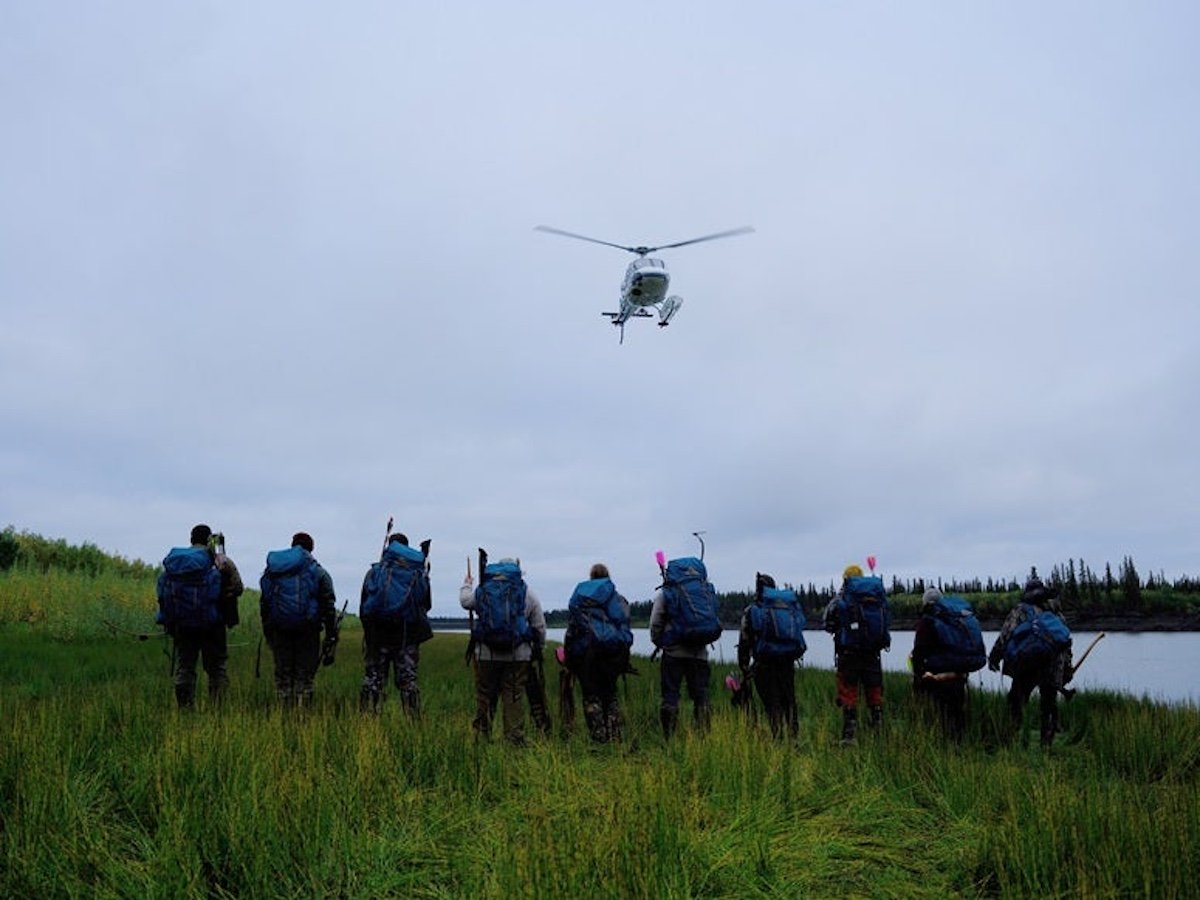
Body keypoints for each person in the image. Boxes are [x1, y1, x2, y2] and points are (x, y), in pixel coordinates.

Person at [460, 554, 546, 745]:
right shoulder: (527, 592)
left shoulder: (484, 589)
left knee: (485, 694)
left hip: (486, 653)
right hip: (518, 655)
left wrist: (467, 584)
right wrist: (538, 648)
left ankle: (481, 736)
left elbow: (466, 602)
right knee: (513, 694)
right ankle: (514, 737)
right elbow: (539, 625)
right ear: (517, 571)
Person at [156, 524, 244, 708]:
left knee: (185, 666)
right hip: (212, 624)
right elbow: (238, 588)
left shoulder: (174, 564)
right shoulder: (219, 561)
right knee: (216, 668)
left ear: (191, 539)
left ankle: (185, 709)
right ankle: (217, 709)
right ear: (208, 540)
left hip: (182, 624)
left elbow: (161, 592)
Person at [988, 572, 1074, 747]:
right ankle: (1046, 744)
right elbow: (1065, 643)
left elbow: (1006, 634)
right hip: (1053, 665)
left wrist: (994, 658)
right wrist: (1067, 668)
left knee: (1016, 700)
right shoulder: (1056, 614)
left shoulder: (1020, 610)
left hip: (1027, 665)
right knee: (1048, 703)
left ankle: (1010, 737)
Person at [259, 532, 337, 708]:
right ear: (311, 548)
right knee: (305, 675)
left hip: (279, 628)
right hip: (308, 631)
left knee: (283, 675)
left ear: (293, 545)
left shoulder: (274, 570)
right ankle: (303, 719)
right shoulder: (318, 571)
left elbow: (265, 602)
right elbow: (328, 605)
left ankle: (284, 714)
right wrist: (331, 634)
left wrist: (268, 630)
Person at [359, 533, 433, 715]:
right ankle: (413, 725)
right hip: (406, 638)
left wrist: (369, 635)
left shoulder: (375, 572)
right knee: (408, 682)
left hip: (377, 637)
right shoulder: (417, 573)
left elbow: (364, 607)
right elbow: (426, 605)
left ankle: (368, 724)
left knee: (374, 680)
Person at [650, 556, 722, 738]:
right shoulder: (705, 592)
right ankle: (703, 737)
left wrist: (660, 642)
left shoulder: (666, 594)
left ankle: (669, 738)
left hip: (673, 653)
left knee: (671, 695)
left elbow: (655, 623)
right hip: (699, 654)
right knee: (701, 695)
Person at [563, 563, 634, 743]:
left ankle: (598, 738)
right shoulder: (618, 599)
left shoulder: (579, 600)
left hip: (586, 654)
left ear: (591, 577)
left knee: (590, 695)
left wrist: (569, 657)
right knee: (610, 694)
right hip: (612, 654)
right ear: (608, 576)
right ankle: (615, 736)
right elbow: (625, 627)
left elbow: (572, 630)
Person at [824, 564, 891, 744]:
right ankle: (879, 733)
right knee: (874, 690)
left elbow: (828, 624)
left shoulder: (841, 599)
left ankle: (849, 735)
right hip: (873, 653)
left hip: (849, 654)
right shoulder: (878, 598)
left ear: (846, 579)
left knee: (848, 691)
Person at [911, 587, 986, 740]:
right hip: (958, 673)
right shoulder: (956, 618)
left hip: (936, 675)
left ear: (925, 603)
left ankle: (936, 743)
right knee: (957, 713)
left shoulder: (927, 621)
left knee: (937, 713)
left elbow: (919, 651)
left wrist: (918, 672)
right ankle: (959, 746)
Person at [737, 573, 806, 740]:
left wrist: (744, 667)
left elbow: (744, 641)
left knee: (772, 702)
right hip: (787, 662)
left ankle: (778, 737)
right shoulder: (787, 608)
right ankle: (793, 738)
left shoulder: (752, 611)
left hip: (764, 664)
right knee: (789, 700)